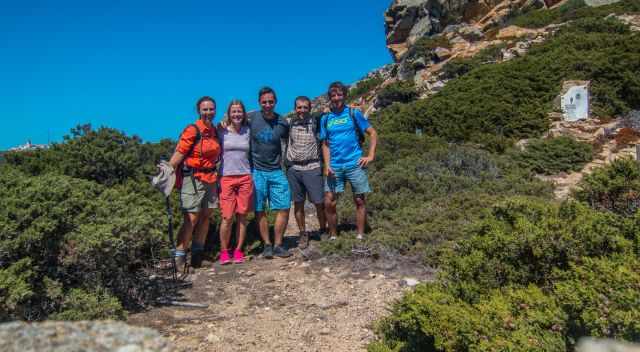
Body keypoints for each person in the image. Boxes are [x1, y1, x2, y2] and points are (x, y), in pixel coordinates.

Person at [320, 82, 378, 240]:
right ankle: (333, 235)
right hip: (335, 166)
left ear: (345, 95)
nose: (336, 98)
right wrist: (327, 165)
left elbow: (372, 133)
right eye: (333, 95)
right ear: (330, 97)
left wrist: (370, 155)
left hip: (354, 164)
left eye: (339, 94)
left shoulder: (354, 113)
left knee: (359, 200)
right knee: (329, 201)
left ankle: (360, 235)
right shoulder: (325, 118)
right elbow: (325, 143)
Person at [169, 96, 221, 269]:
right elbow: (181, 151)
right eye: (205, 109)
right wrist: (168, 169)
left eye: (211, 109)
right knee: (191, 218)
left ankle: (197, 256)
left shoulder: (214, 130)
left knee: (206, 217)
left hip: (211, 179)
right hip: (193, 178)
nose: (208, 112)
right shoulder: (193, 130)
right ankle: (179, 257)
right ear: (199, 111)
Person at [247, 87, 292, 258]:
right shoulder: (251, 118)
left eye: (270, 102)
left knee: (284, 206)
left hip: (276, 170)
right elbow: (233, 123)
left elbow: (289, 140)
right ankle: (267, 244)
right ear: (259, 102)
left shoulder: (282, 122)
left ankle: (278, 244)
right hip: (257, 171)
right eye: (264, 102)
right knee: (259, 209)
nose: (267, 105)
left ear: (275, 102)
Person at [285, 96, 327, 249]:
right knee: (298, 203)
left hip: (313, 167)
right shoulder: (289, 123)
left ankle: (323, 230)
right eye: (299, 107)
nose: (302, 110)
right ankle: (303, 233)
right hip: (294, 169)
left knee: (319, 202)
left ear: (310, 108)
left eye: (305, 107)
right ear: (295, 108)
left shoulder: (316, 121)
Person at [217, 100, 253, 265]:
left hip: (245, 176)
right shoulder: (222, 131)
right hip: (227, 177)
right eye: (234, 112)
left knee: (242, 216)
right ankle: (224, 252)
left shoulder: (248, 130)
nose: (237, 114)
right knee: (227, 217)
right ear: (229, 114)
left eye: (239, 112)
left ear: (243, 113)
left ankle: (238, 250)